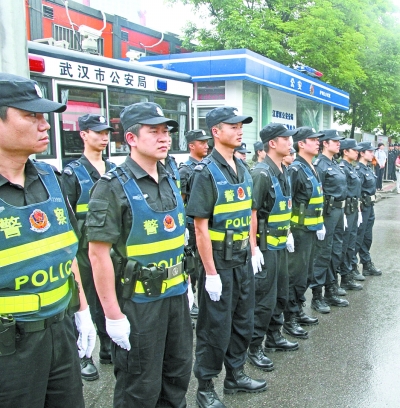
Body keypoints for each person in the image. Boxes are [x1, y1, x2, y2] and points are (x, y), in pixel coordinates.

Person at [87, 102, 193, 407]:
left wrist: (186, 287)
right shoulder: (111, 187)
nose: (164, 138)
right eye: (154, 131)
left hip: (175, 297)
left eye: (166, 131)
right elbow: (98, 255)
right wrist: (112, 315)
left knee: (177, 376)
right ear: (131, 139)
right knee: (140, 387)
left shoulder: (171, 178)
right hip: (138, 303)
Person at [0, 73, 96, 407]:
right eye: (31, 116)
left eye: (44, 116)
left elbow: (67, 250)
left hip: (60, 331)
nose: (45, 125)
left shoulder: (52, 179)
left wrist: (83, 310)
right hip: (9, 346)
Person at [186, 106, 266, 408]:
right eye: (232, 126)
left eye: (241, 125)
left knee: (243, 320)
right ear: (215, 132)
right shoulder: (206, 172)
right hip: (218, 262)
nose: (239, 129)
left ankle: (235, 374)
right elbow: (200, 227)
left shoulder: (243, 169)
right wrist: (210, 273)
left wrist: (253, 247)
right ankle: (205, 386)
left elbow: (248, 214)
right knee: (213, 327)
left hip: (242, 260)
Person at [63, 113, 116, 380]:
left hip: (110, 248)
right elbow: (67, 217)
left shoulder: (114, 168)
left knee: (109, 297)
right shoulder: (73, 173)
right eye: (98, 132)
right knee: (84, 301)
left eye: (107, 132)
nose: (104, 137)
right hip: (83, 250)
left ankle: (107, 347)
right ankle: (84, 355)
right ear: (83, 134)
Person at [247, 123, 299, 374]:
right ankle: (255, 346)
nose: (290, 143)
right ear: (272, 144)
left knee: (280, 293)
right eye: (285, 139)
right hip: (266, 247)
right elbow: (252, 213)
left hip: (280, 244)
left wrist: (288, 233)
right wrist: (253, 247)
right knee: (263, 299)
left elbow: (284, 208)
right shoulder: (261, 173)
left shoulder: (283, 170)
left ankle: (275, 336)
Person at [283, 127, 324, 339]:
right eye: (313, 140)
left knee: (307, 274)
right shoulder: (296, 169)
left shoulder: (311, 167)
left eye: (318, 140)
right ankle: (289, 318)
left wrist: (320, 224)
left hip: (310, 230)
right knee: (296, 276)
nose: (318, 143)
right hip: (298, 232)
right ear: (301, 144)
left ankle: (298, 309)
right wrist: (288, 231)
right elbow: (287, 202)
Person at [310, 129, 349, 313]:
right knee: (323, 252)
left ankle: (331, 289)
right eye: (335, 141)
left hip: (339, 212)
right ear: (325, 143)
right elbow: (317, 194)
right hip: (327, 212)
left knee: (336, 250)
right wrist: (318, 220)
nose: (338, 143)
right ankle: (317, 295)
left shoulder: (334, 163)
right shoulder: (320, 165)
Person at [179, 129, 211, 318]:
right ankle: (189, 304)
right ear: (192, 145)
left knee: (202, 266)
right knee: (191, 266)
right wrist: (183, 228)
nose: (206, 145)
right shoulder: (185, 170)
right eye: (201, 142)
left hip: (204, 225)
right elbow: (182, 201)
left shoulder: (207, 167)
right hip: (191, 226)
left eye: (207, 142)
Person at [337, 139, 363, 292]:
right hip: (346, 210)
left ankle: (348, 275)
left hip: (354, 209)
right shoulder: (343, 168)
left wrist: (358, 208)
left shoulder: (351, 168)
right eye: (354, 150)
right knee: (344, 245)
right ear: (345, 151)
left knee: (351, 243)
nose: (357, 152)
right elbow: (343, 192)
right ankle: (343, 276)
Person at [353, 142, 382, 277]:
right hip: (362, 206)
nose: (372, 154)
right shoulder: (358, 169)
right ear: (362, 153)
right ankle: (352, 266)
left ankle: (366, 263)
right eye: (369, 151)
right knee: (358, 237)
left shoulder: (368, 168)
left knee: (367, 237)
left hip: (370, 206)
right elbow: (356, 190)